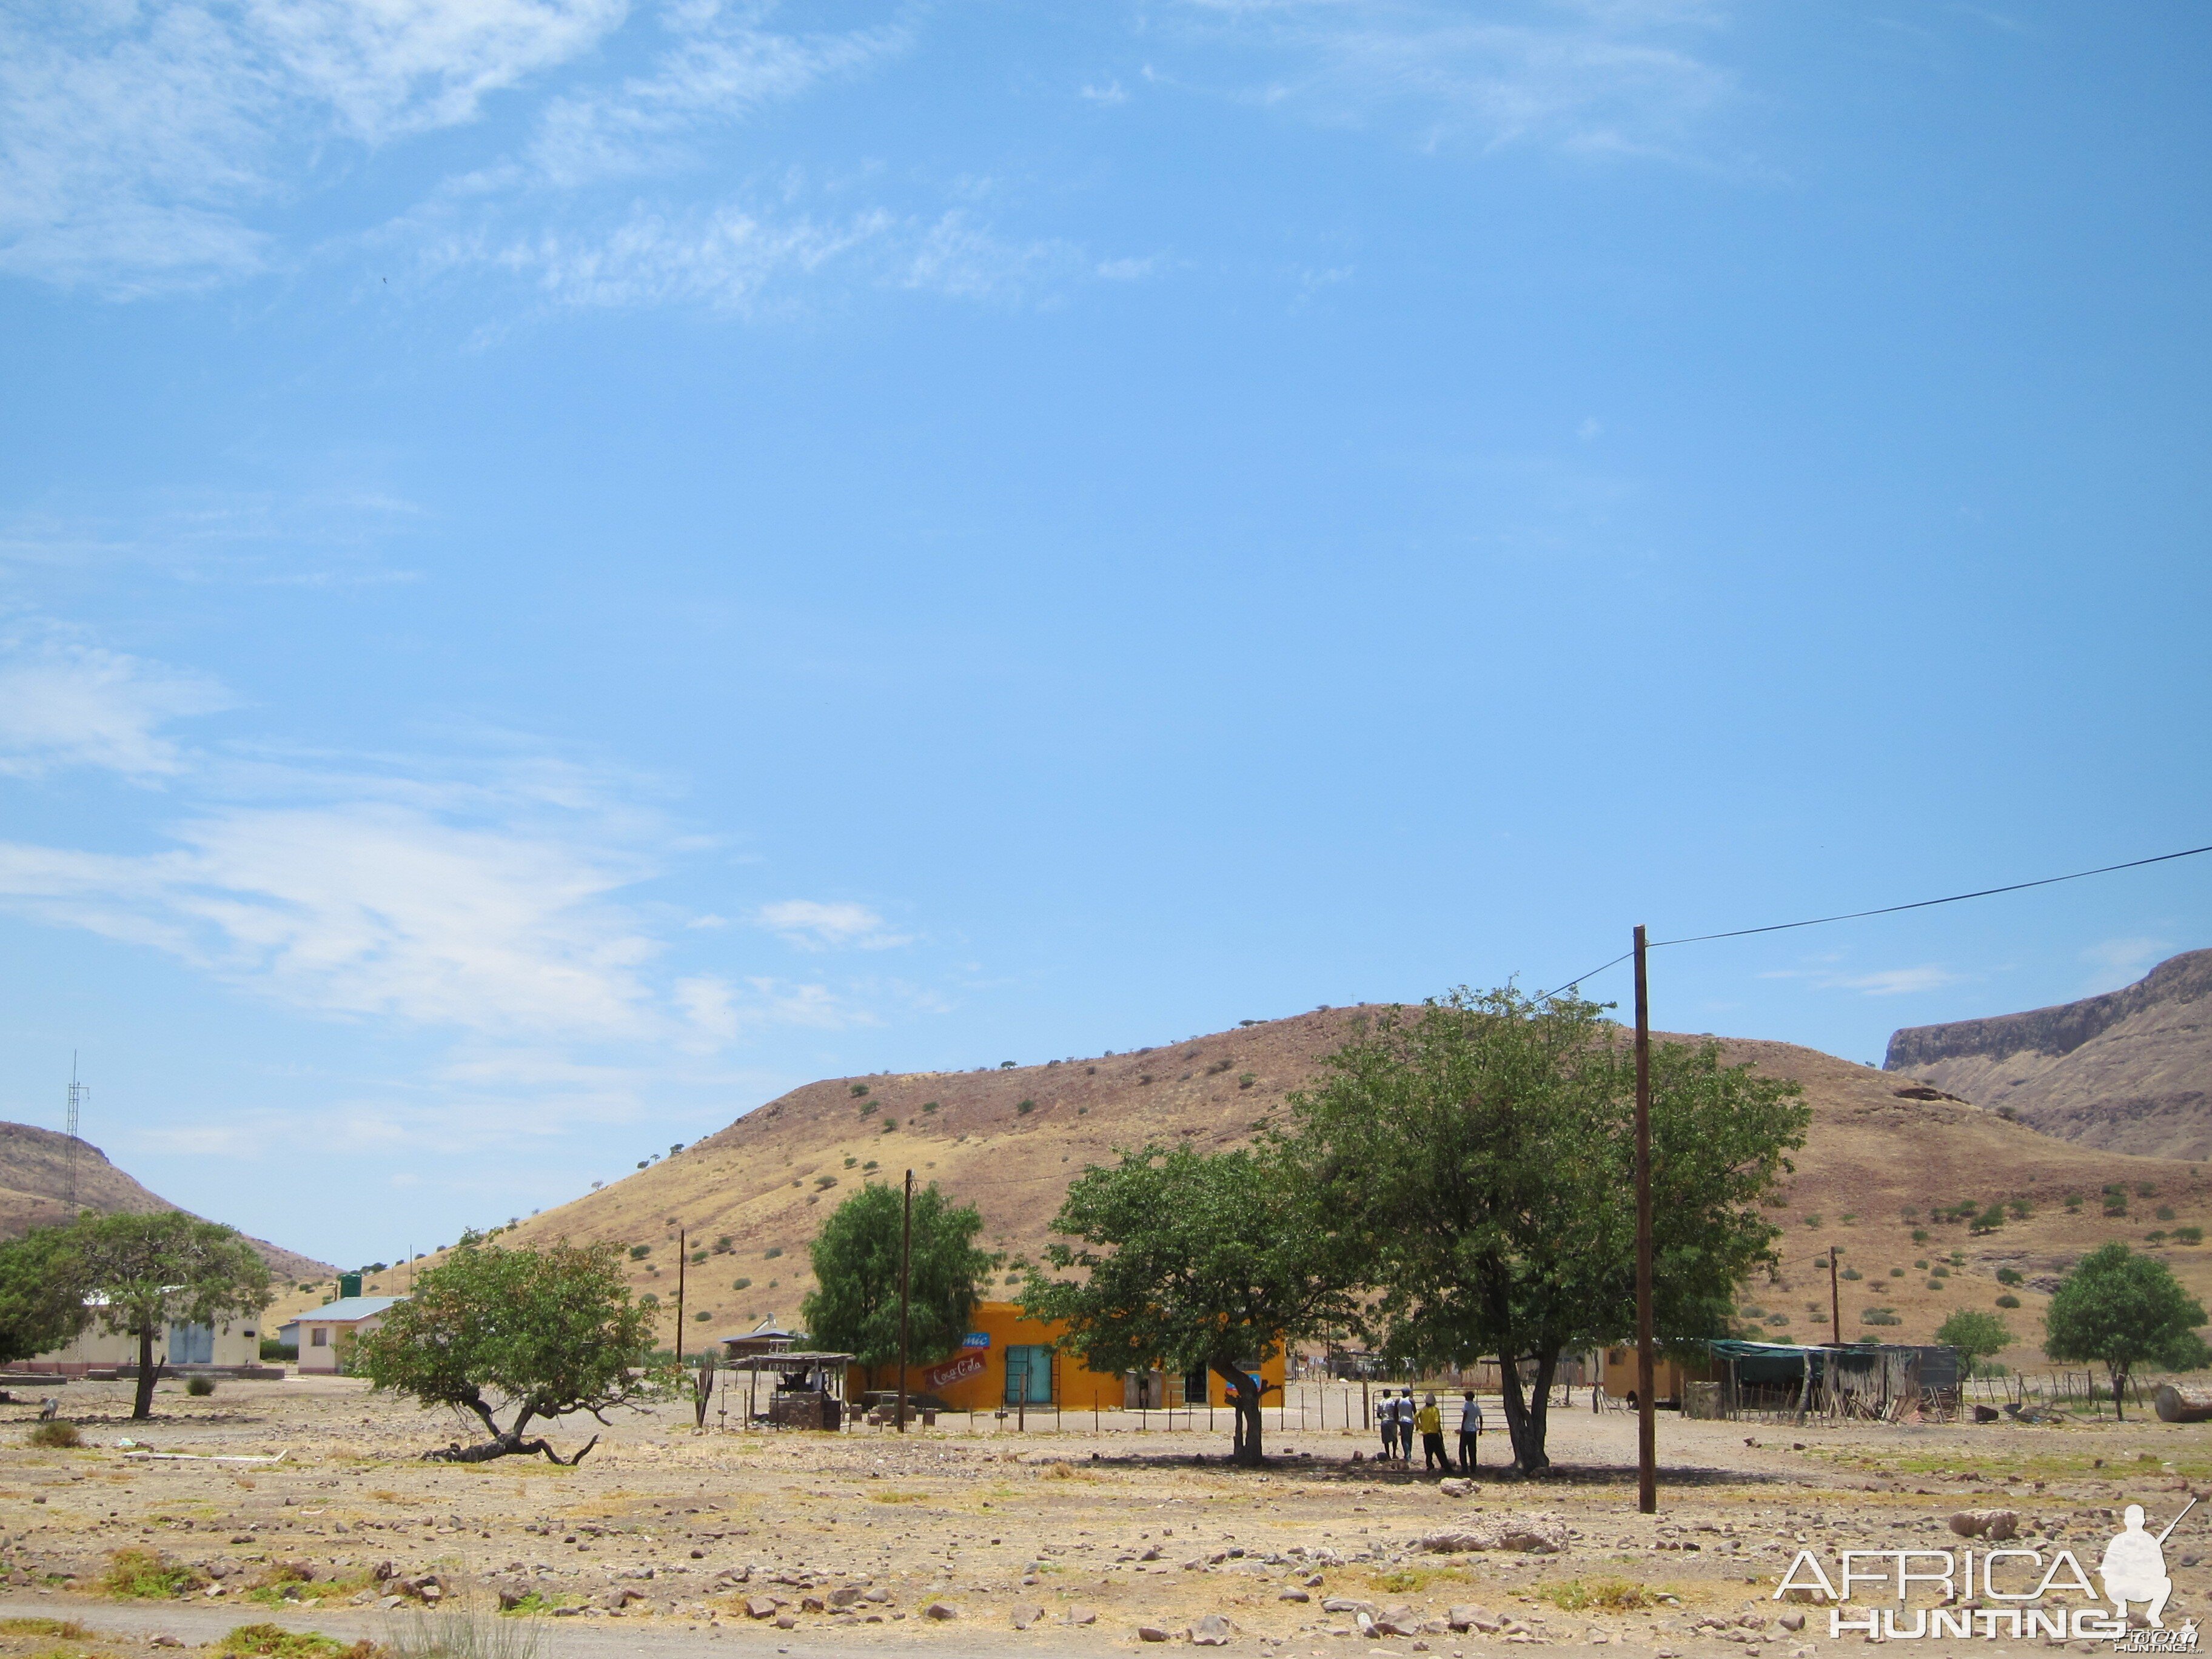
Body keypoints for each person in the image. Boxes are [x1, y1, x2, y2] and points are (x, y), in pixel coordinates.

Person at [2100, 1504, 2174, 1627]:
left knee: (2166, 1583)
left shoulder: (2150, 1540)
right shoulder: (2118, 1540)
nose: (2135, 1521)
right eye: (2132, 1518)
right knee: (2111, 1584)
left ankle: (2153, 1615)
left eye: (2138, 1518)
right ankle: (2122, 1609)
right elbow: (2106, 1570)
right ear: (2126, 1521)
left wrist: (2148, 1573)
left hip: (2144, 1585)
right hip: (2123, 1585)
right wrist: (2123, 1569)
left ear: (2144, 1520)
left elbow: (2161, 1568)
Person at [1416, 1392, 1448, 1471]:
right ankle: (1445, 1466)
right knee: (1440, 1451)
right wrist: (1439, 1431)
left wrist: (1420, 1427)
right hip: (1434, 1433)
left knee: (1428, 1452)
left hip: (1426, 1433)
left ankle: (1430, 1465)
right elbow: (1437, 1421)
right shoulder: (1435, 1410)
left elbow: (1415, 1418)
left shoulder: (1422, 1410)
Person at [1457, 1389, 1483, 1472]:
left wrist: (1462, 1426)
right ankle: (1473, 1468)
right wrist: (1481, 1429)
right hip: (1473, 1429)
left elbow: (1465, 1414)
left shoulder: (1466, 1405)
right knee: (1472, 1450)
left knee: (1462, 1449)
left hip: (1466, 1429)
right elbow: (1480, 1417)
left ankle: (1464, 1468)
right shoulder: (1476, 1406)